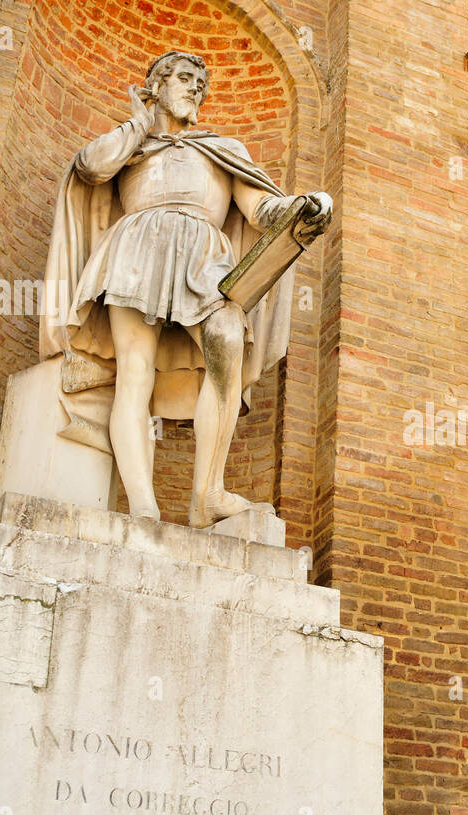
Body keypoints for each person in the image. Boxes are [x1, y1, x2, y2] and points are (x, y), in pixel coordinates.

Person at [41, 51, 332, 527]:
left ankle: (207, 495)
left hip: (206, 258)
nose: (196, 87)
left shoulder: (221, 148)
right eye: (184, 78)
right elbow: (91, 168)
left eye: (202, 81)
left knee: (227, 341)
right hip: (137, 249)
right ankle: (143, 509)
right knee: (135, 374)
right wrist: (138, 124)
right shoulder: (133, 143)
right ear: (155, 86)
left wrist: (298, 208)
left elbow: (260, 208)